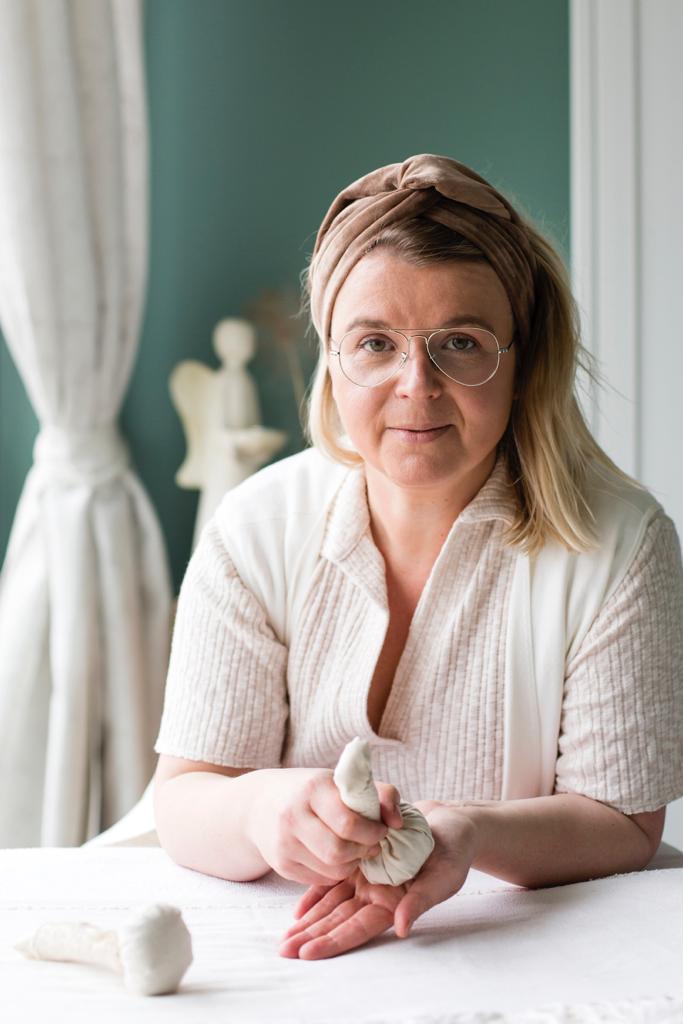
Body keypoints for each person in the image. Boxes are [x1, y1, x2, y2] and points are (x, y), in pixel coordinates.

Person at [153, 154, 683, 961]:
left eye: (460, 344)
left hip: (537, 957)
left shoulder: (620, 542)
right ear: (332, 355)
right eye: (374, 343)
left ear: (522, 360)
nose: (416, 385)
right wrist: (265, 809)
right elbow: (185, 799)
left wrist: (463, 834)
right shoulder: (253, 528)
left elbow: (623, 822)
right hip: (280, 950)